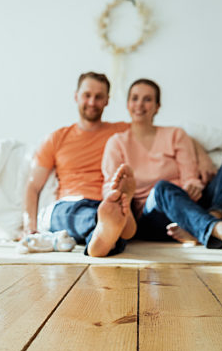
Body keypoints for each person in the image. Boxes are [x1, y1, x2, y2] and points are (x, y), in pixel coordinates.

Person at [102, 78, 222, 250]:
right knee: (162, 188)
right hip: (152, 218)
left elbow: (190, 177)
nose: (140, 104)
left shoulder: (175, 134)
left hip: (188, 204)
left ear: (157, 106)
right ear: (127, 104)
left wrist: (193, 185)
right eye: (135, 98)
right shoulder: (116, 142)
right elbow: (110, 188)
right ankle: (219, 229)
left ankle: (211, 219)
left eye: (147, 99)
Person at [23, 72, 137, 257]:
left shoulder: (121, 132)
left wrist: (200, 156)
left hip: (106, 202)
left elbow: (159, 134)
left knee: (112, 213)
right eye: (87, 95)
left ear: (107, 100)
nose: (92, 102)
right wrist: (30, 227)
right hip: (69, 205)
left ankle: (101, 239)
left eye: (99, 97)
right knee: (99, 218)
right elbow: (33, 186)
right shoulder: (56, 138)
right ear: (76, 96)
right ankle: (105, 232)